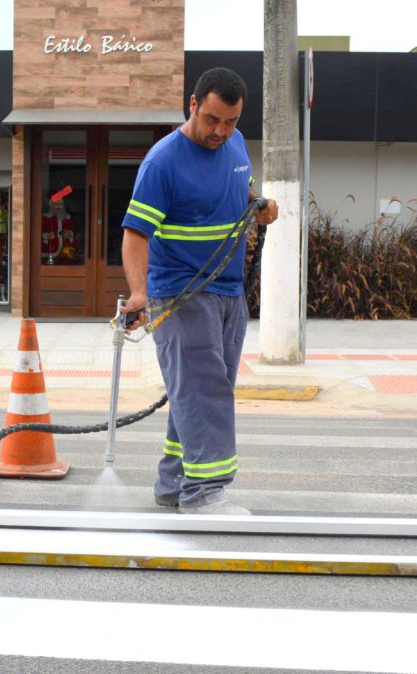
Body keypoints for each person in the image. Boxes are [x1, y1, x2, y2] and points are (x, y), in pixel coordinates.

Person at [119, 68, 279, 516]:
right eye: (212, 119)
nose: (220, 131)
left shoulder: (236, 144)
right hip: (181, 296)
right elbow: (135, 234)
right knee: (204, 392)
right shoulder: (163, 161)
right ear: (192, 105)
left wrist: (257, 202)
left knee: (197, 392)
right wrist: (138, 294)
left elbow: (236, 187)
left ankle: (174, 483)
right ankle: (204, 493)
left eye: (229, 122)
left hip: (229, 293)